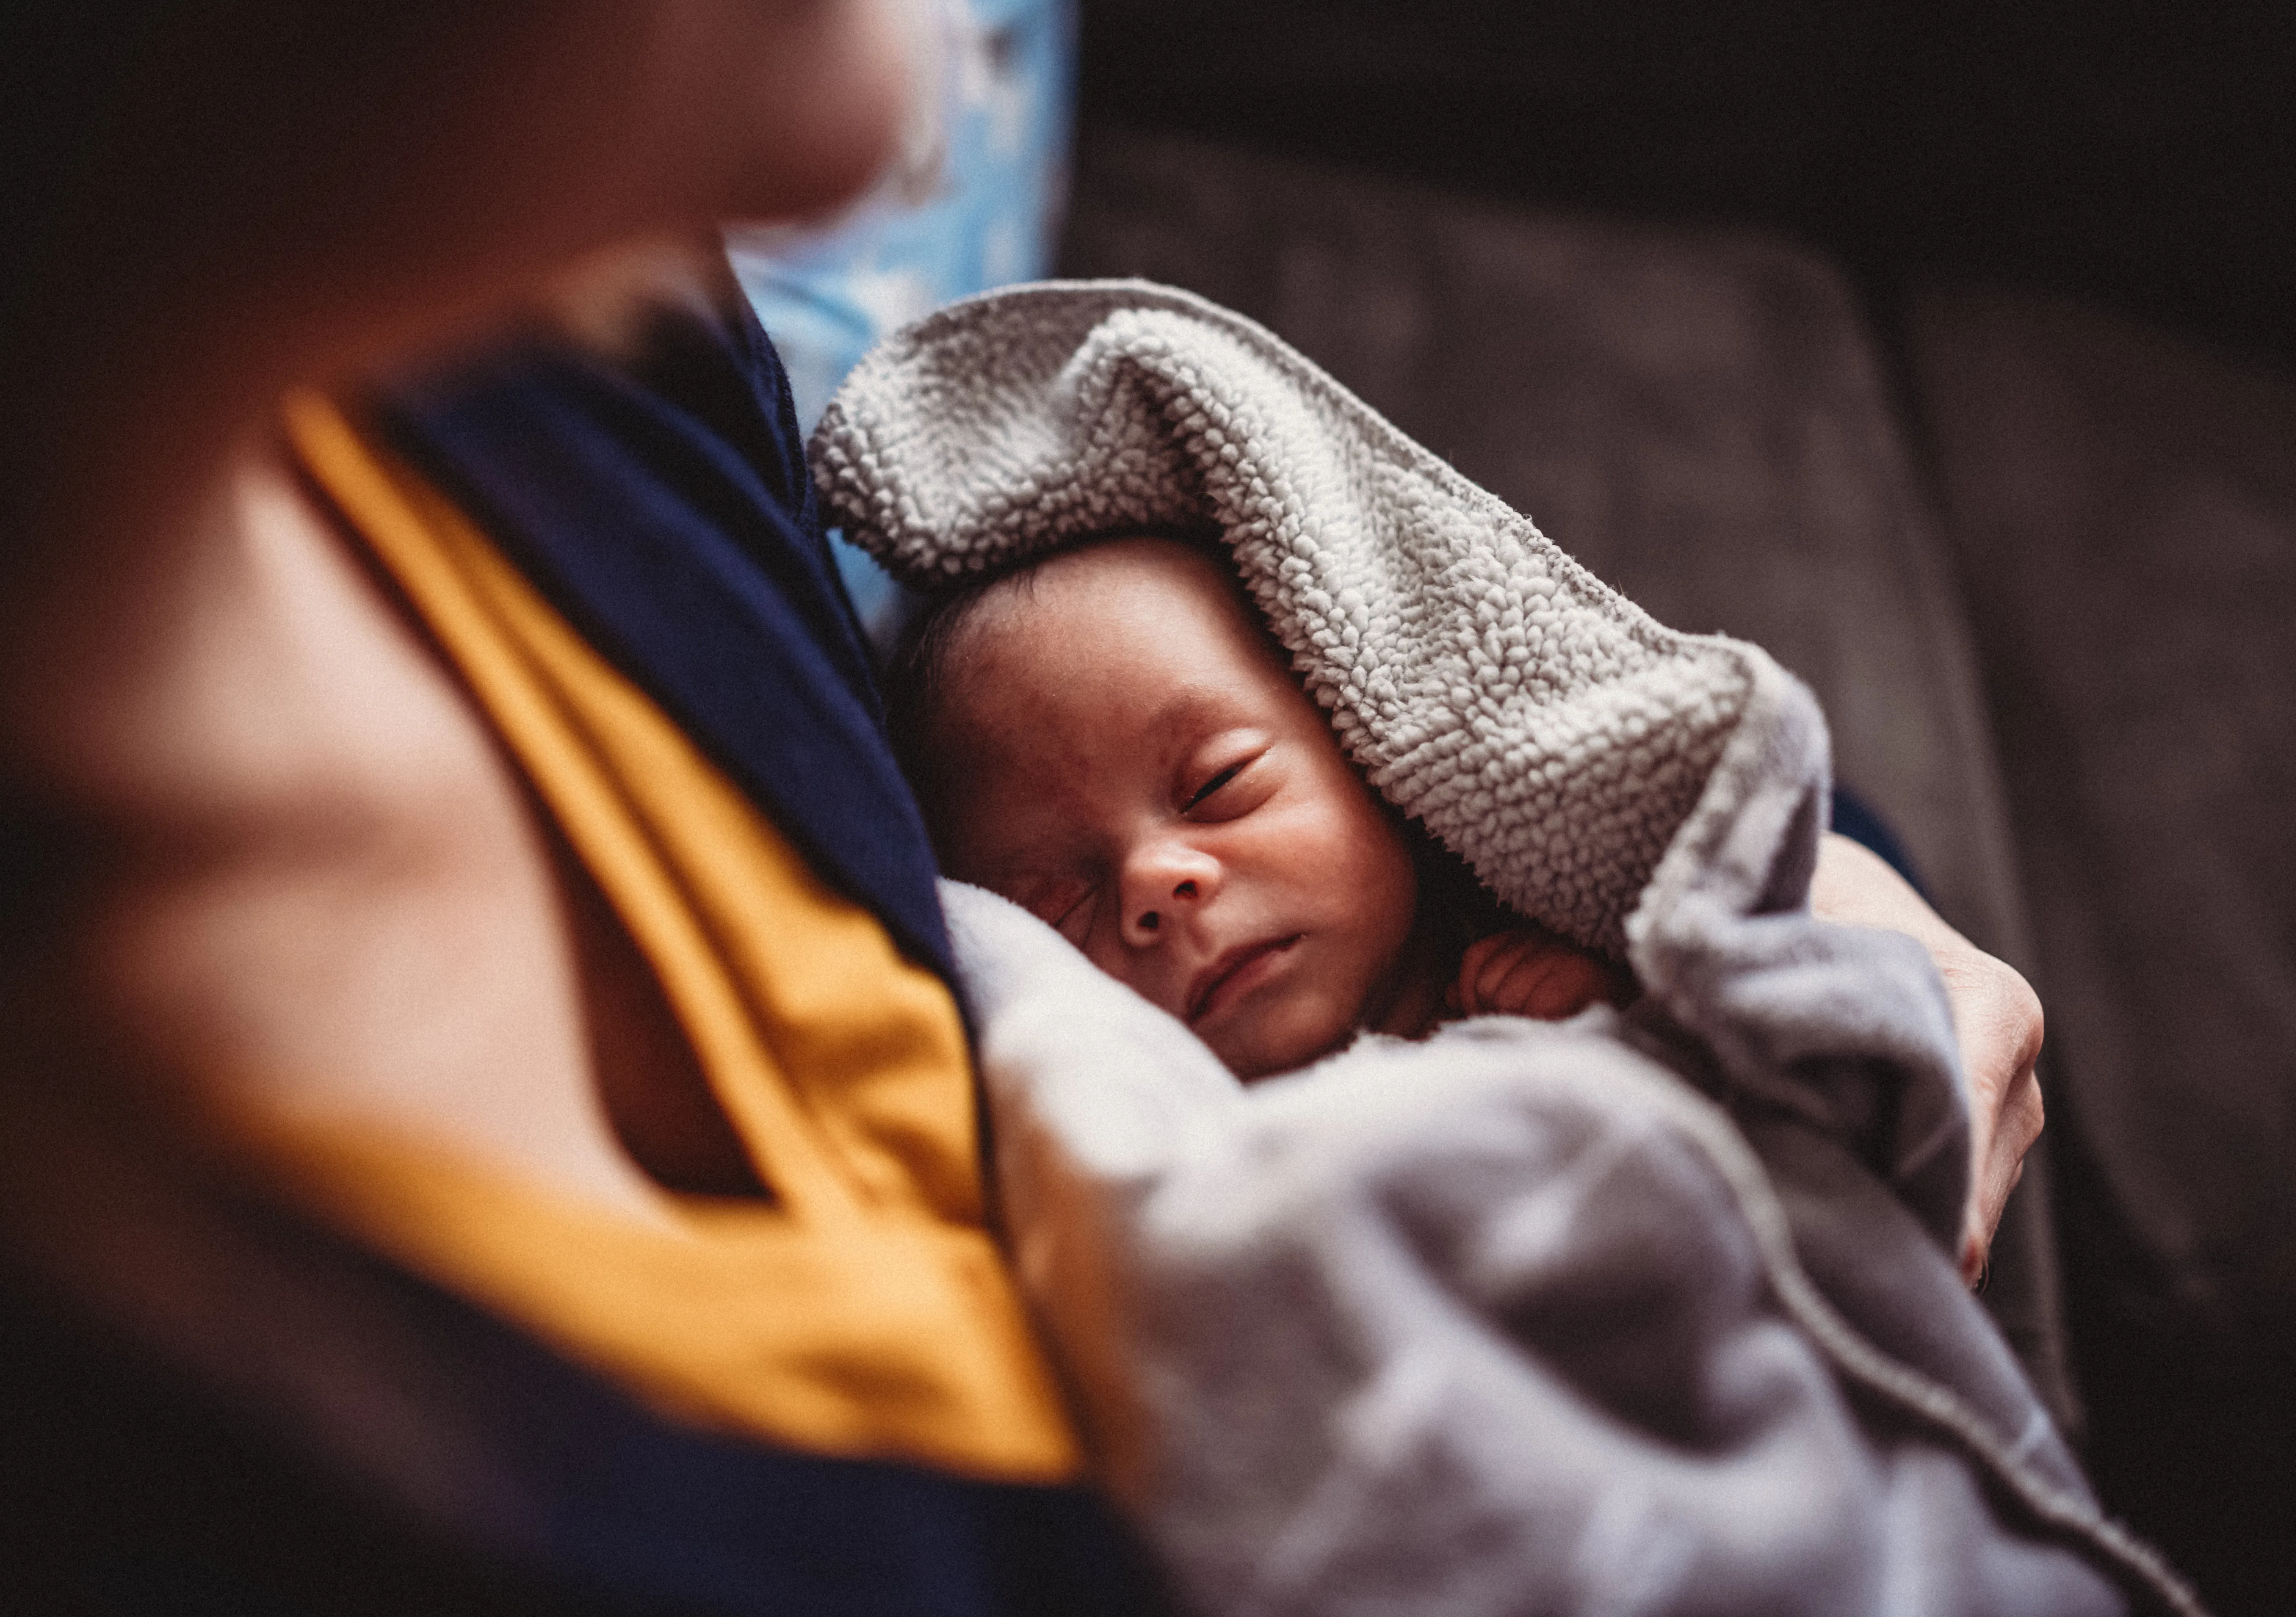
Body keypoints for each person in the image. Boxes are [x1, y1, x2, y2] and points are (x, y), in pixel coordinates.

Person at [0, 2, 2045, 1608]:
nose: (1148, 891)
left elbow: (1532, 751)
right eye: (1063, 893)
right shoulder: (230, 1469)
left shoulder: (571, 355)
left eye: (1224, 792)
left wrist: (1842, 902)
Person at [888, 532, 1623, 1082]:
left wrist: (1607, 1028)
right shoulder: (1156, 1142)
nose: (1155, 879)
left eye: (1219, 784)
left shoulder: (1569, 973)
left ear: (1357, 733)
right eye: (1061, 911)